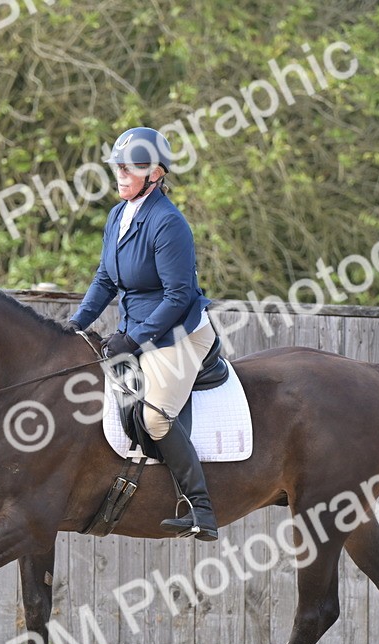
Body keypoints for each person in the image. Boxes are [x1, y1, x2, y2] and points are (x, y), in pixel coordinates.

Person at [69, 127, 219, 541]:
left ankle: (201, 508)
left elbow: (178, 295)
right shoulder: (119, 215)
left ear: (155, 172)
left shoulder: (168, 223)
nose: (120, 173)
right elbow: (105, 279)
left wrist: (135, 340)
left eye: (129, 167)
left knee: (154, 416)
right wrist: (76, 323)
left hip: (179, 334)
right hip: (136, 328)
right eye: (117, 165)